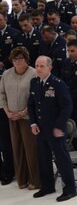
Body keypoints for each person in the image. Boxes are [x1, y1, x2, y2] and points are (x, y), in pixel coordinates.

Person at [27, 56, 76, 201]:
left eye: (42, 66)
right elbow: (31, 104)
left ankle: (70, 189)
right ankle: (47, 186)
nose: (38, 69)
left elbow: (67, 106)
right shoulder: (34, 82)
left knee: (62, 159)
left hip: (55, 128)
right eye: (36, 66)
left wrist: (59, 126)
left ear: (50, 68)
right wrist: (33, 123)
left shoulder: (58, 84)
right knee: (43, 159)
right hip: (40, 128)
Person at [0, 47, 37, 190]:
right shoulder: (7, 74)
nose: (17, 62)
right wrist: (7, 111)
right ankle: (22, 179)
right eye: (14, 59)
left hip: (28, 117)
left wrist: (23, 112)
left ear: (26, 59)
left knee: (30, 149)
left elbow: (35, 98)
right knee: (17, 149)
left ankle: (34, 179)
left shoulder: (33, 74)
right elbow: (1, 94)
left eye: (20, 59)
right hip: (11, 117)